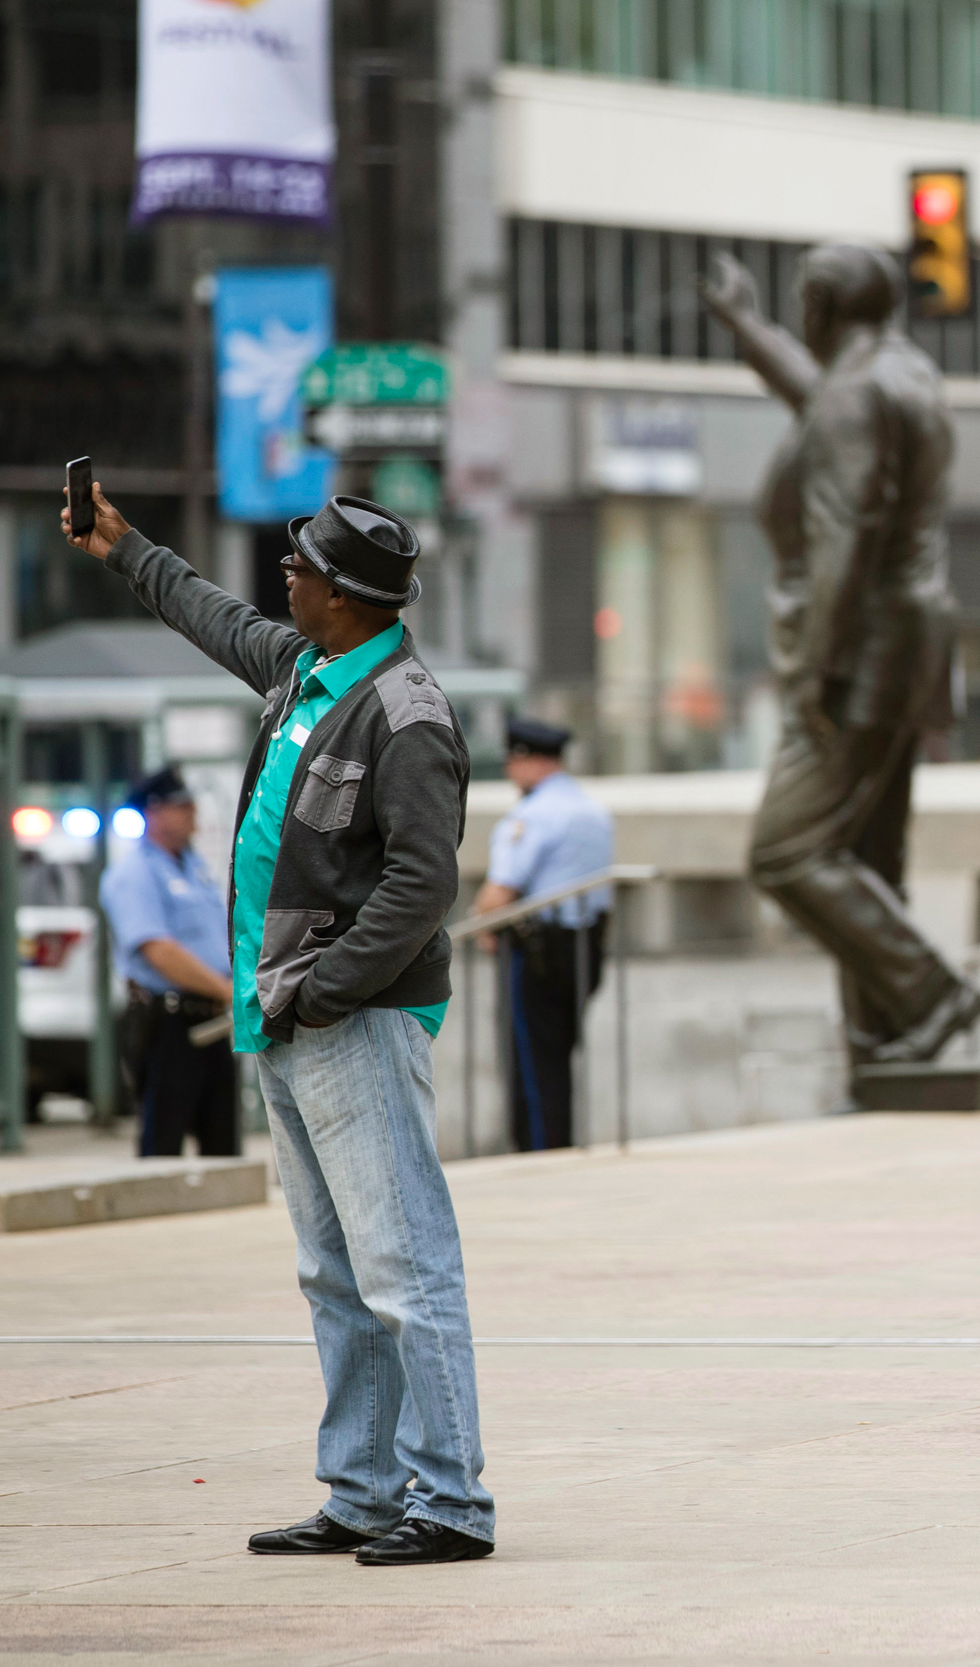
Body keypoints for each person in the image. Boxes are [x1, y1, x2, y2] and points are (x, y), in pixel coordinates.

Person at [65, 481, 494, 1564]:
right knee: (333, 1271)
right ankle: (361, 1489)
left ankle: (449, 1502)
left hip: (349, 1020)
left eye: (301, 569)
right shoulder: (302, 670)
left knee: (404, 1266)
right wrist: (124, 545)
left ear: (348, 597)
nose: (283, 580)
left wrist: (325, 989)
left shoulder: (407, 714)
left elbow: (417, 883)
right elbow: (212, 612)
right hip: (287, 1019)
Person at [698, 246, 980, 1069]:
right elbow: (818, 395)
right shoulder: (903, 374)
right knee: (866, 851)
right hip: (910, 636)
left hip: (860, 646)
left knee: (787, 851)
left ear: (821, 304)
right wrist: (745, 325)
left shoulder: (855, 396)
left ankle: (931, 992)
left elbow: (845, 535)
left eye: (798, 305)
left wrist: (818, 664)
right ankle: (886, 1028)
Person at [475, 716, 615, 1151]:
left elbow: (501, 890)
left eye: (512, 763)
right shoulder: (592, 809)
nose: (508, 773)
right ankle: (558, 1142)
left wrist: (481, 924)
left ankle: (539, 1150)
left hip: (538, 950)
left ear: (529, 761)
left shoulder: (532, 815)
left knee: (531, 1061)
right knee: (558, 1054)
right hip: (586, 944)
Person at [98, 766, 238, 1157]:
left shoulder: (192, 868)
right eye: (182, 807)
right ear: (154, 812)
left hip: (210, 1021)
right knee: (164, 1142)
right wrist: (228, 990)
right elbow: (158, 951)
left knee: (222, 1143)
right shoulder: (135, 873)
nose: (193, 813)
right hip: (167, 1023)